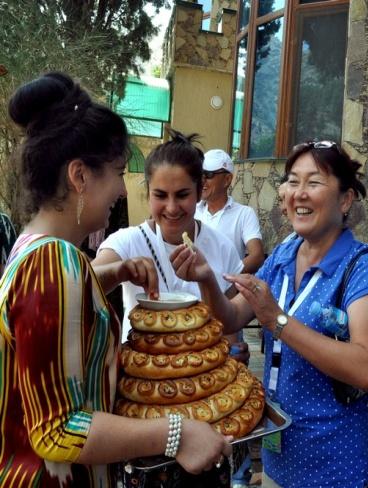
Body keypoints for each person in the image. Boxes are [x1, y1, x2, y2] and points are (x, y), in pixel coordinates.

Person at [0, 72, 231, 487]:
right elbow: (58, 429)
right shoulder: (54, 262)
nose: (123, 191)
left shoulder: (35, 249)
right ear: (79, 176)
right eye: (118, 172)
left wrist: (117, 273)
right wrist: (177, 433)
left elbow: (61, 316)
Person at [169, 140, 368, 487]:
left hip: (333, 465)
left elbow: (367, 369)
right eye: (292, 181)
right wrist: (206, 279)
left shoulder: (361, 265)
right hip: (278, 458)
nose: (298, 193)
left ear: (345, 199)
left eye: (313, 182)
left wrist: (277, 321)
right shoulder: (284, 255)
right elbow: (231, 318)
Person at [93, 132, 244, 341]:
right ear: (148, 192)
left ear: (199, 192)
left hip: (202, 362)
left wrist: (233, 351)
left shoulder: (222, 247)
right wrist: (120, 270)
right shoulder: (128, 242)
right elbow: (81, 284)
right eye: (160, 195)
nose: (172, 208)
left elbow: (228, 332)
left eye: (182, 195)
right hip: (140, 360)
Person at [196, 148, 265, 274]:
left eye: (208, 175)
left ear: (227, 179)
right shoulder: (192, 210)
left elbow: (257, 256)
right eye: (200, 174)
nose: (202, 180)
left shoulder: (244, 214)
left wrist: (223, 279)